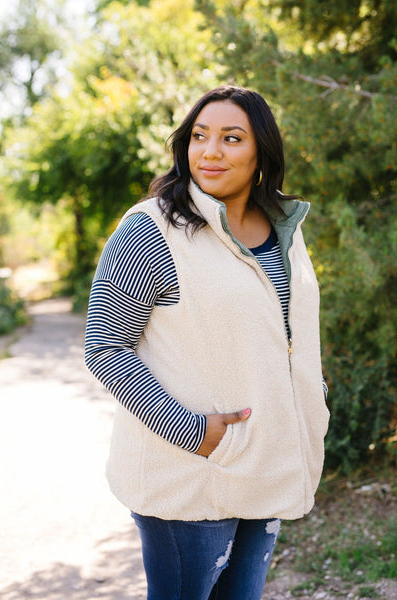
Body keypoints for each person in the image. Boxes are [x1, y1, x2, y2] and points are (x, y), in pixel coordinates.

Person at [85, 85, 330, 599]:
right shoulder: (151, 229)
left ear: (261, 150)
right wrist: (193, 432)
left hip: (269, 462)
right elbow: (105, 345)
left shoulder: (286, 227)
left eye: (231, 138)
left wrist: (312, 402)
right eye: (199, 136)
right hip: (191, 470)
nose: (210, 151)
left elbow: (290, 334)